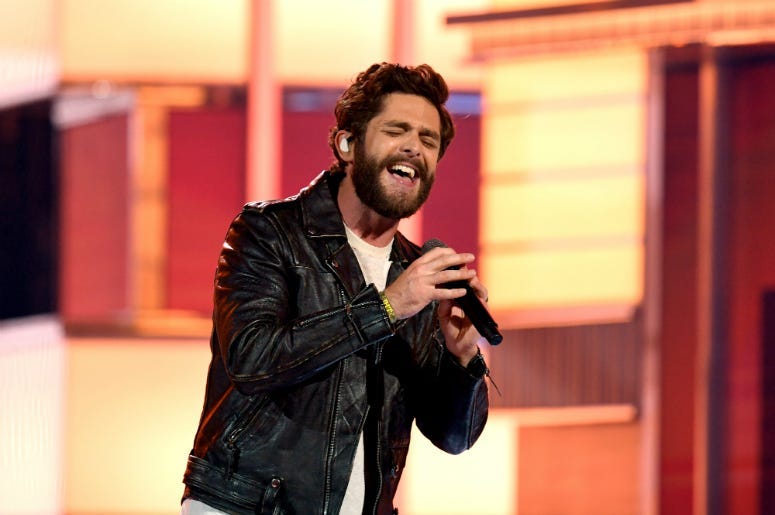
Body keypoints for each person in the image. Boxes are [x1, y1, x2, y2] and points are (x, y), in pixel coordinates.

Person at [181, 62, 490, 515]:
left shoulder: (416, 275)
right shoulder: (270, 232)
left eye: (428, 140)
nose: (414, 147)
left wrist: (463, 357)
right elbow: (253, 358)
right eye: (396, 130)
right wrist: (386, 308)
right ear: (348, 144)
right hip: (247, 506)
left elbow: (454, 438)